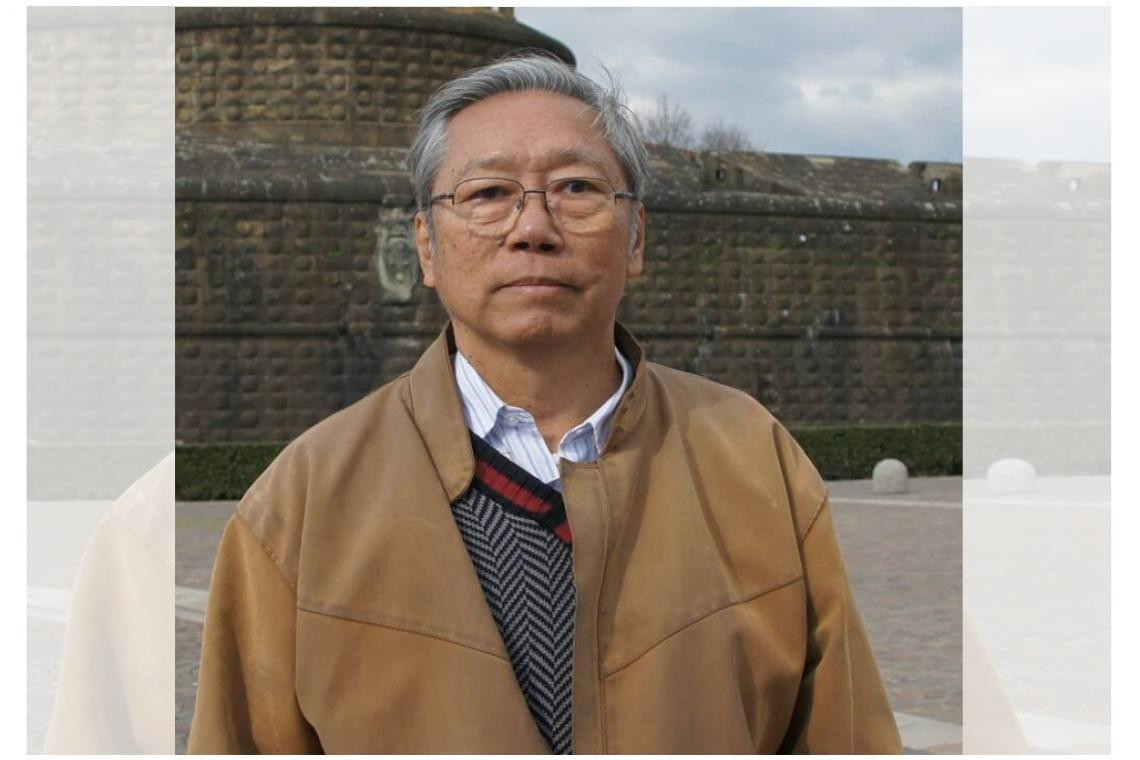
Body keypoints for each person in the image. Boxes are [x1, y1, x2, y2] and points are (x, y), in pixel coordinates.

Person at [188, 53, 902, 754]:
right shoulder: (303, 500)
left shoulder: (752, 458)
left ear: (636, 238)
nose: (533, 228)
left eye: (576, 187)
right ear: (426, 246)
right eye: (487, 193)